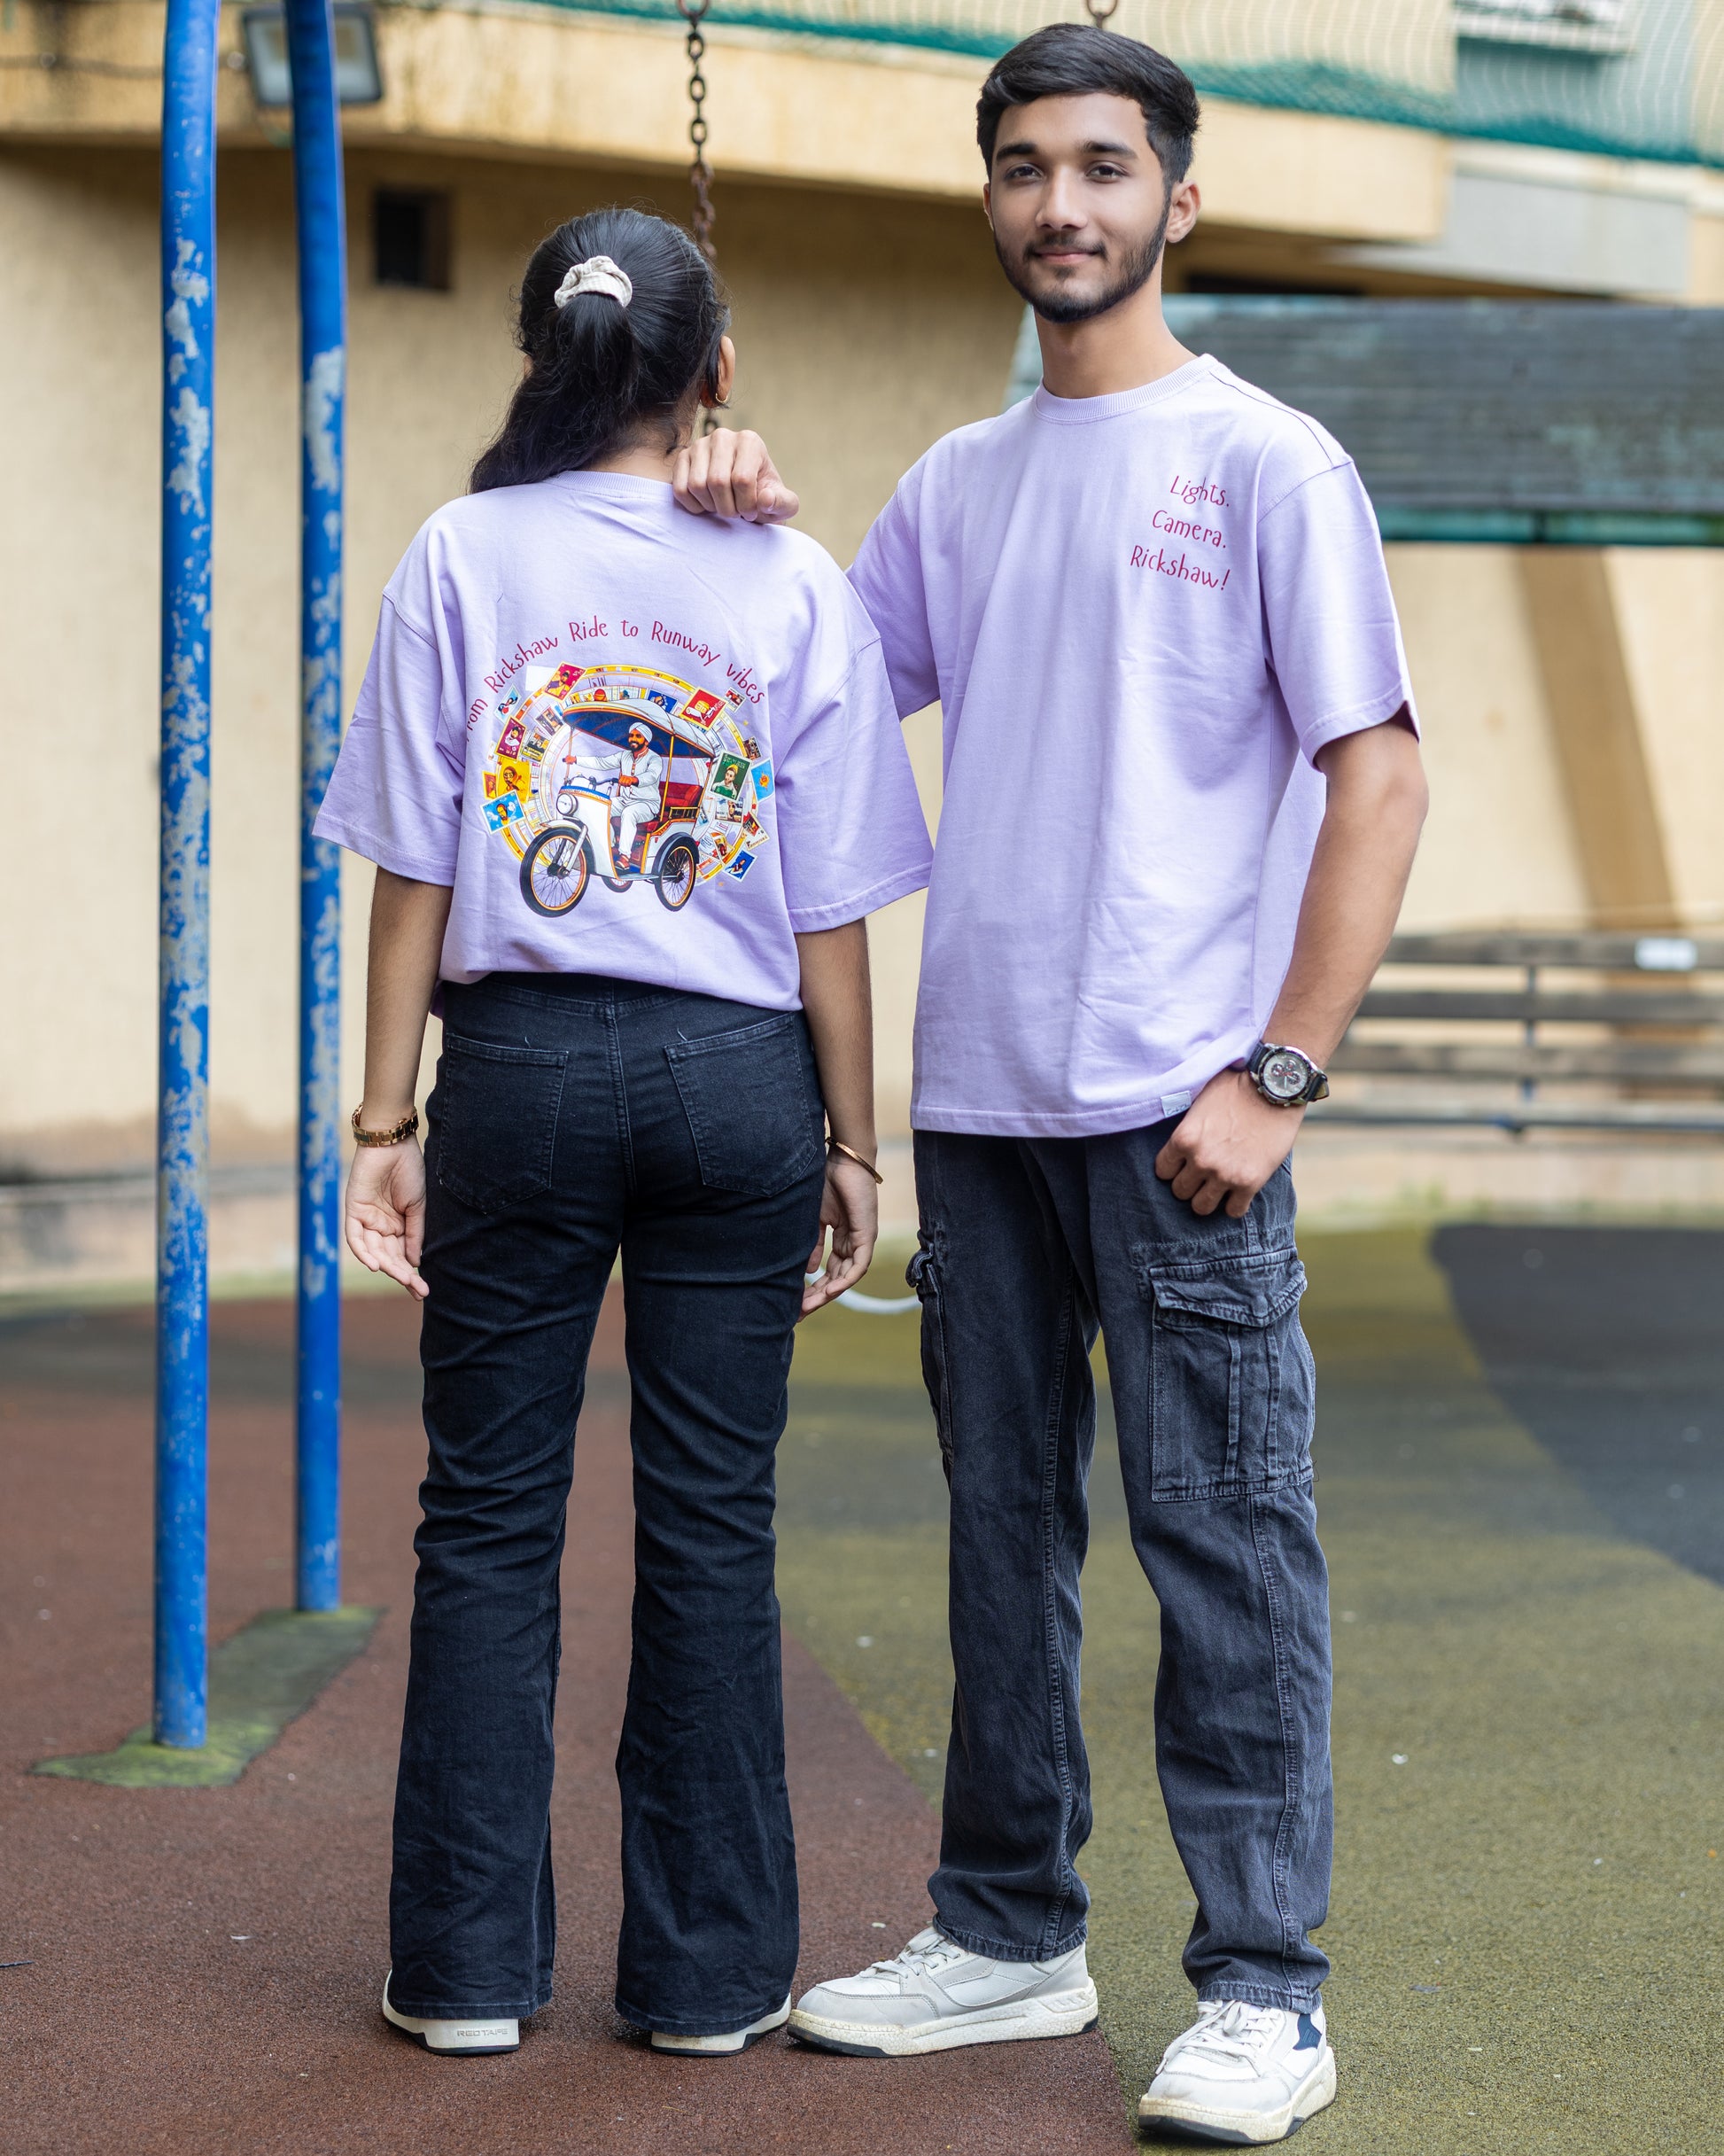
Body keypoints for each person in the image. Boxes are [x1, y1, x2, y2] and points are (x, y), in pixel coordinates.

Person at [673, 24, 1427, 2144]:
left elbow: (1377, 775)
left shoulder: (1266, 462)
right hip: (985, 1111)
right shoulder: (955, 483)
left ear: (1179, 195)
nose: (1060, 203)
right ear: (991, 195)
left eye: (1101, 165)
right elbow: (809, 702)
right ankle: (1006, 1928)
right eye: (1023, 165)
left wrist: (1280, 1071)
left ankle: (1264, 1989)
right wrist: (729, 509)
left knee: (1224, 1544)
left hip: (1186, 1118)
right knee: (998, 1543)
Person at [315, 208, 931, 2061]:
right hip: (738, 1079)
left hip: (515, 1075)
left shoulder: (458, 552)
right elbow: (830, 912)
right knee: (713, 1523)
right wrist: (853, 1143)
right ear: (712, 370)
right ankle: (708, 1977)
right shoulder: (790, 577)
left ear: (539, 357)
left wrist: (383, 1116)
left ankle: (461, 1970)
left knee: (486, 1518)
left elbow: (413, 866)